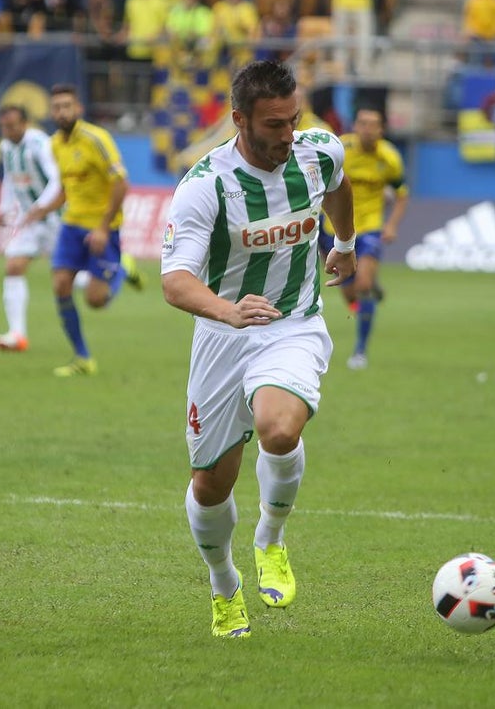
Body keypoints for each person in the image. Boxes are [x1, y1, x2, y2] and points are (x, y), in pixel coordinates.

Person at [160, 60, 357, 638]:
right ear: (239, 119)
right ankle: (225, 585)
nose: (287, 135)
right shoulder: (205, 186)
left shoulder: (317, 151)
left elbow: (340, 185)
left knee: (278, 429)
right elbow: (176, 280)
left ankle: (270, 539)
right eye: (274, 124)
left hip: (294, 321)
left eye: (293, 119)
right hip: (224, 335)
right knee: (211, 483)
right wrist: (229, 310)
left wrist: (344, 242)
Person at [24, 84, 144, 377]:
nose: (61, 112)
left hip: (102, 229)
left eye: (67, 106)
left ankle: (122, 269)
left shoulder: (96, 139)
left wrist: (103, 228)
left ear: (78, 108)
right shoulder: (54, 144)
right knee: (60, 286)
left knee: (95, 301)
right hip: (71, 226)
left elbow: (121, 183)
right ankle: (82, 358)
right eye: (56, 107)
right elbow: (68, 188)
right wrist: (43, 209)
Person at [319, 107, 408, 370]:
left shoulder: (390, 158)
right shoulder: (341, 151)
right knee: (349, 294)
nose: (367, 129)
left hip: (369, 228)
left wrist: (391, 225)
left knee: (362, 285)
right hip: (333, 228)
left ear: (381, 130)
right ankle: (368, 300)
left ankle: (360, 350)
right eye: (362, 123)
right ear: (355, 126)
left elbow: (402, 193)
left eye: (373, 124)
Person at [0, 104, 61, 353]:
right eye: (3, 127)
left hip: (57, 220)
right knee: (13, 266)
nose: (8, 131)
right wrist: (4, 208)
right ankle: (17, 334)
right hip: (30, 222)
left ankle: (116, 269)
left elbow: (57, 179)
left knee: (73, 279)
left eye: (12, 126)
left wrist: (41, 207)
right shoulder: (5, 147)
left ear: (25, 124)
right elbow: (10, 178)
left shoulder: (40, 145)